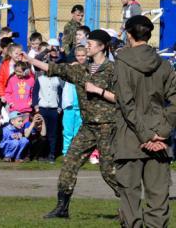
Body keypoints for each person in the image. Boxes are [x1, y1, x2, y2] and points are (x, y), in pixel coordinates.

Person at [25, 29, 119, 219]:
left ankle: (129, 204)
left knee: (108, 170)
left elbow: (121, 98)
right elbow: (55, 69)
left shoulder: (114, 70)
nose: (88, 45)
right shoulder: (80, 69)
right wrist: (30, 60)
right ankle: (62, 208)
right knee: (69, 162)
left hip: (108, 126)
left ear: (103, 47)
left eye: (92, 43)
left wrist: (98, 91)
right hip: (88, 127)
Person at [113, 15, 176, 228]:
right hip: (159, 138)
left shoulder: (121, 63)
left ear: (129, 34)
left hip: (131, 138)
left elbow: (126, 103)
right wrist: (162, 132)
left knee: (130, 201)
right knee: (158, 200)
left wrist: (147, 135)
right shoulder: (165, 64)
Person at [32, 57, 63, 163]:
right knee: (41, 133)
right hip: (42, 109)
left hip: (54, 110)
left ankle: (52, 154)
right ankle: (41, 154)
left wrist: (59, 107)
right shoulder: (40, 79)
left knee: (53, 133)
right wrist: (36, 105)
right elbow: (35, 93)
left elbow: (60, 94)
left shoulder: (57, 80)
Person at [61, 46, 87, 155]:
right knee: (67, 131)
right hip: (69, 105)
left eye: (83, 55)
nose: (81, 58)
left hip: (82, 106)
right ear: (75, 56)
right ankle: (66, 151)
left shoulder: (88, 69)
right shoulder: (70, 68)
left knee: (78, 131)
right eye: (78, 56)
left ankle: (76, 152)